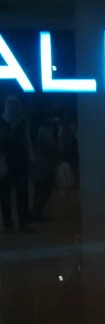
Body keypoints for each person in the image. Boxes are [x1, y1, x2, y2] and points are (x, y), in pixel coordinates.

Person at [0, 95, 35, 232]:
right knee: (5, 192)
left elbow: (27, 141)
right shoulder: (3, 122)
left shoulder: (22, 122)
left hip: (20, 159)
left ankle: (23, 221)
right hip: (6, 160)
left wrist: (31, 159)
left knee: (22, 190)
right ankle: (9, 223)